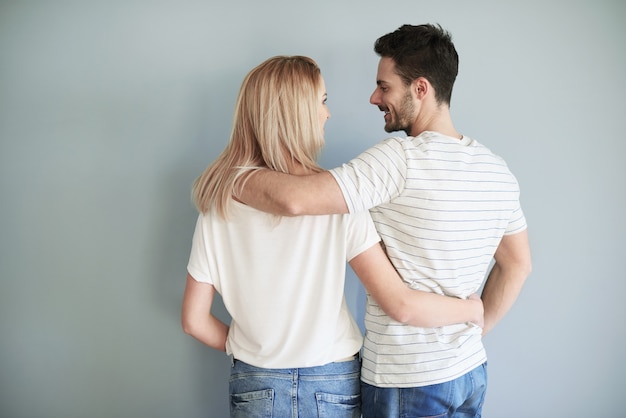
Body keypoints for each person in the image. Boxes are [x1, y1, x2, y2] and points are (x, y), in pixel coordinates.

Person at [238, 25, 532, 417]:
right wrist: (474, 327)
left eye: (385, 86)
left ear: (421, 89)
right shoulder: (496, 170)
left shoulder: (399, 160)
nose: (375, 97)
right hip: (469, 370)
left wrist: (230, 177)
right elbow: (518, 263)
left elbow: (293, 200)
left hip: (407, 379)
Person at [181, 55, 484, 418]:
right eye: (322, 102)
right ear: (296, 114)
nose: (327, 114)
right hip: (332, 381)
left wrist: (250, 349)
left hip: (255, 380)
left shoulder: (219, 204)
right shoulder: (340, 200)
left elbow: (194, 320)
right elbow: (397, 300)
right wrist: (472, 309)